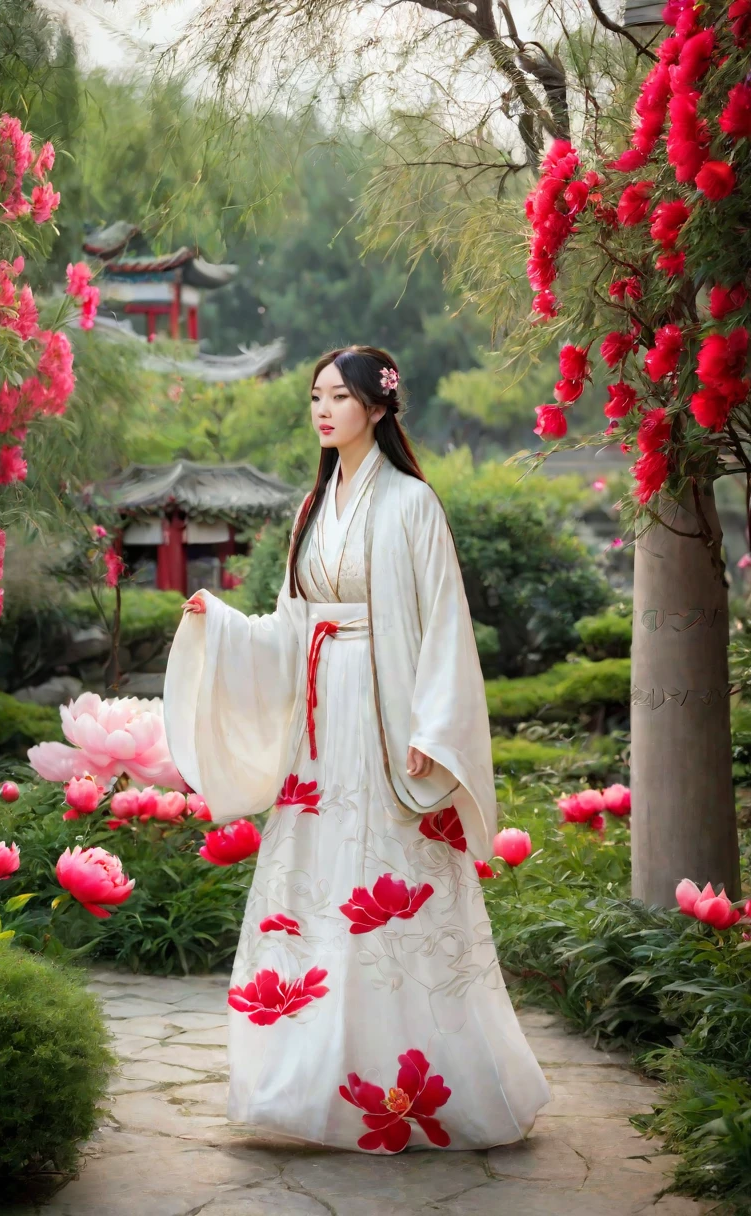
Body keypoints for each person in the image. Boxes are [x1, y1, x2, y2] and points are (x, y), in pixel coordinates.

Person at [163, 345, 551, 1153]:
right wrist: (223, 624)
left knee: (395, 891)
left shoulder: (413, 505)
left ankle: (412, 1079)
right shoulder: (311, 511)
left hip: (387, 721)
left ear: (378, 407)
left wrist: (432, 730)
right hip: (319, 719)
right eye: (315, 397)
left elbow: (445, 626)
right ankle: (303, 1080)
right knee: (315, 890)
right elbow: (293, 624)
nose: (322, 410)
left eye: (338, 397)